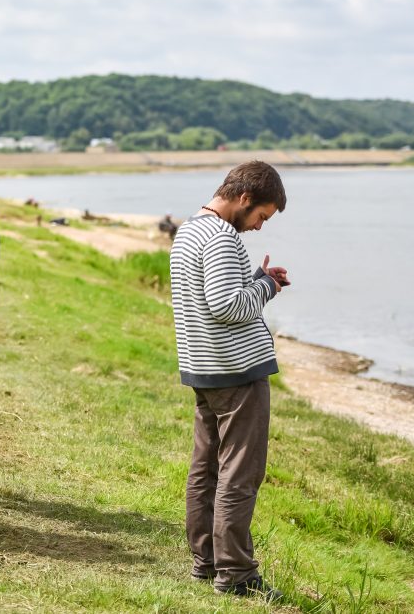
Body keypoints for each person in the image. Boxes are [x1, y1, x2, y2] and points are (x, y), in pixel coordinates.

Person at [169, 160, 290, 601]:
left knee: (206, 470)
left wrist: (256, 279)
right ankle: (236, 573)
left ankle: (206, 560)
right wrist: (266, 289)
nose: (258, 227)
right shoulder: (221, 238)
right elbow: (226, 306)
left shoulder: (190, 230)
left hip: (206, 368)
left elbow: (213, 298)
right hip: (237, 373)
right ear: (244, 199)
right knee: (240, 475)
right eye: (261, 216)